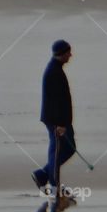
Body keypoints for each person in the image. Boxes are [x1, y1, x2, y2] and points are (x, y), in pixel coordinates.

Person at [32, 40, 75, 193]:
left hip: (62, 120)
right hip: (56, 121)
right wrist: (59, 124)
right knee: (56, 151)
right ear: (62, 53)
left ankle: (42, 174)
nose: (70, 55)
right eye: (68, 52)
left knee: (70, 149)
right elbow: (54, 101)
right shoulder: (53, 71)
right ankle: (55, 187)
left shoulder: (57, 69)